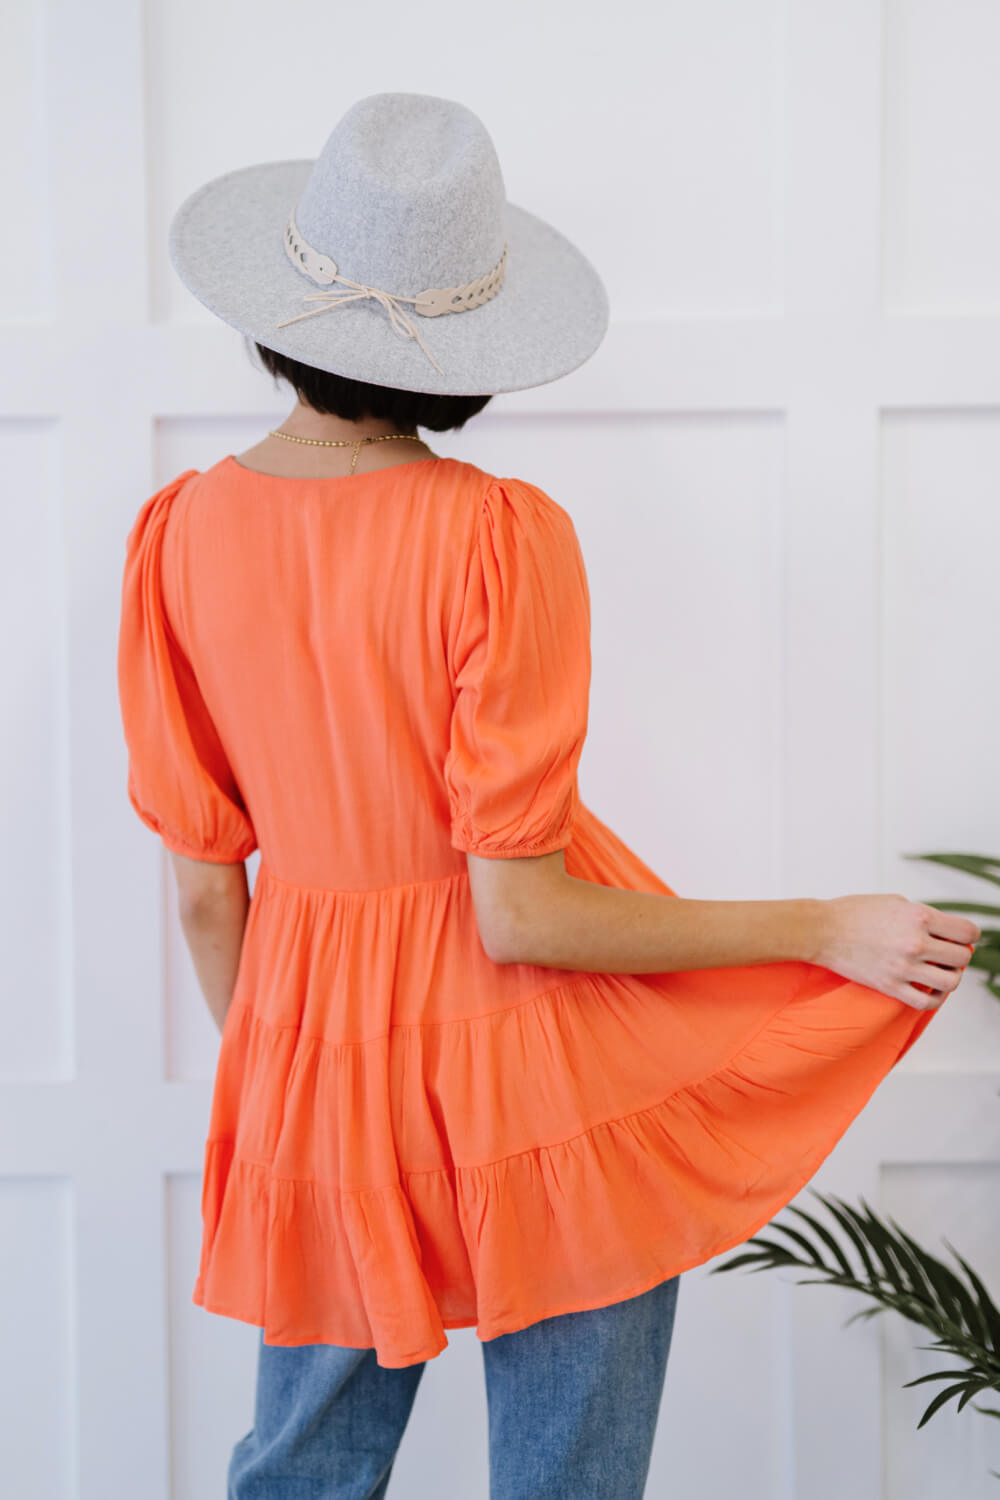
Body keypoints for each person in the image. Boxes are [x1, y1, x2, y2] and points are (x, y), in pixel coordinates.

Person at [116, 92, 980, 1499]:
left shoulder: (177, 537)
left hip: (317, 1072)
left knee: (299, 1474)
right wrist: (826, 926)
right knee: (568, 1481)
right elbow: (518, 915)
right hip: (545, 1082)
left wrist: (294, 1073)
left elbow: (209, 891)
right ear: (464, 344)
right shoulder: (494, 535)